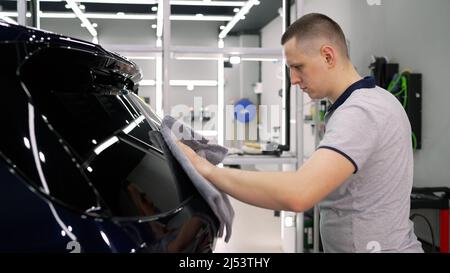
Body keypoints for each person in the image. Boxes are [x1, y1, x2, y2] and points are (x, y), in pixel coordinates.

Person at [177, 13, 423, 253]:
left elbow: (299, 193)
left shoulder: (361, 111)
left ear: (328, 56)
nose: (293, 79)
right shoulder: (373, 99)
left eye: (298, 67)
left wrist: (204, 168)